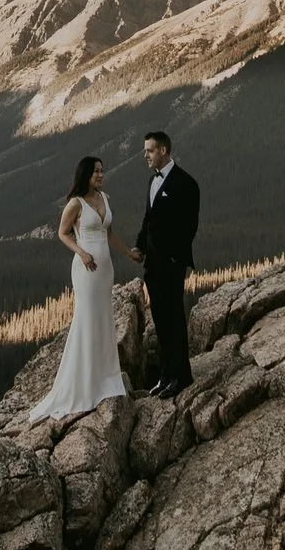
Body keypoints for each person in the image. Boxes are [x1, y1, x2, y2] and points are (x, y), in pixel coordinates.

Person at [27, 154, 131, 421]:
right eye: (96, 171)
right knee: (86, 318)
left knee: (103, 318)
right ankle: (83, 383)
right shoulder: (76, 203)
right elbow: (62, 233)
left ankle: (104, 376)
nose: (100, 174)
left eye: (102, 170)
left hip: (105, 268)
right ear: (84, 174)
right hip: (86, 269)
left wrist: (128, 252)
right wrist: (82, 253)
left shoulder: (105, 199)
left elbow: (109, 233)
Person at [131, 129, 200, 396]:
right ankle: (167, 373)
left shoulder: (186, 183)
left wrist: (174, 258)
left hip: (171, 265)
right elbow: (148, 219)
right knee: (160, 319)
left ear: (163, 151)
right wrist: (139, 245)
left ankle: (182, 376)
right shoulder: (152, 181)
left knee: (174, 319)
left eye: (149, 150)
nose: (145, 155)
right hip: (153, 265)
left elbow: (190, 226)